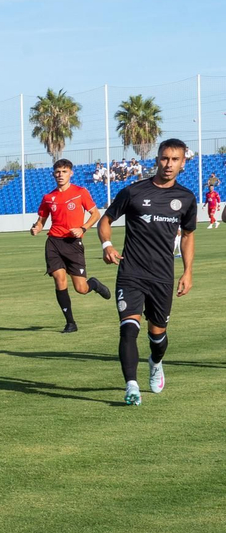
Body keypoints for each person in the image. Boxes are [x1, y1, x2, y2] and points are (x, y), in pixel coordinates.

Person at [96, 138, 196, 405]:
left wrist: (187, 272)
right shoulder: (133, 192)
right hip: (130, 272)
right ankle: (131, 386)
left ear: (183, 163)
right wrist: (107, 244)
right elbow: (105, 220)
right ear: (157, 159)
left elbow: (187, 235)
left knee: (158, 337)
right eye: (164, 158)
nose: (168, 164)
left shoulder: (186, 198)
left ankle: (155, 362)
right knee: (128, 329)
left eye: (175, 159)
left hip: (163, 276)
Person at [29, 157, 111, 333]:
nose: (60, 175)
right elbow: (41, 221)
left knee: (81, 288)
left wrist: (83, 228)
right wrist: (36, 228)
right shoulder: (48, 197)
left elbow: (95, 214)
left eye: (64, 171)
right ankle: (70, 323)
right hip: (53, 243)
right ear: (53, 174)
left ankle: (94, 284)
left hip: (73, 243)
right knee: (60, 280)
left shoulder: (80, 192)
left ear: (71, 173)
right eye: (58, 172)